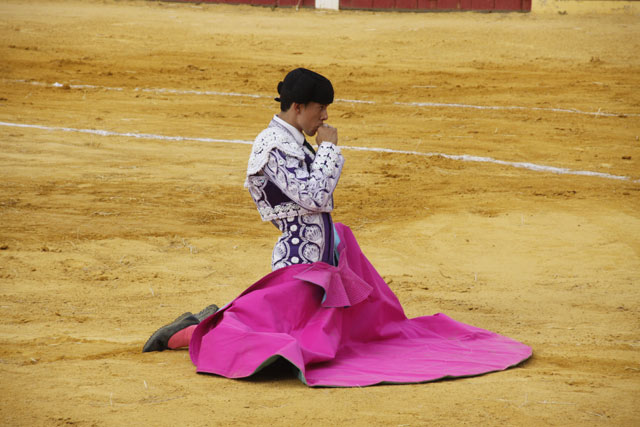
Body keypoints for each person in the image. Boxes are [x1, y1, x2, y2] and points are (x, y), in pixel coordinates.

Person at [143, 68, 531, 387]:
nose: (325, 117)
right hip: (299, 266)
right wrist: (329, 149)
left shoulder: (295, 141)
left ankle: (223, 315)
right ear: (298, 107)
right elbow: (313, 197)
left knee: (341, 337)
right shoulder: (271, 147)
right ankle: (192, 330)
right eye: (320, 109)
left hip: (325, 258)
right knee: (282, 348)